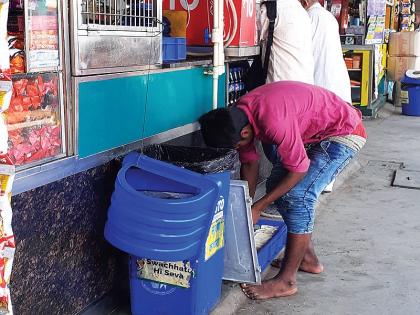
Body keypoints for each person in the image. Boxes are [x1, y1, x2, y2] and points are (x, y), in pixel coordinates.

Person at [199, 81, 366, 300]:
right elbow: (249, 163)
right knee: (275, 186)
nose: (239, 149)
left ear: (246, 133)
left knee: (298, 196)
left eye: (238, 146)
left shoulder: (272, 120)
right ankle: (308, 259)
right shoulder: (240, 115)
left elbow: (299, 169)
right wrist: (245, 209)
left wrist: (260, 206)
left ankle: (286, 281)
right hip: (318, 132)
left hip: (344, 132)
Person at [300, 0, 352, 104]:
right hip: (339, 87)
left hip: (322, 87)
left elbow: (304, 56)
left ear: (305, 2)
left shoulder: (307, 17)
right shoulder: (329, 17)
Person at [259, 0, 314, 84]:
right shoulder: (303, 12)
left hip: (280, 88)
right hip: (305, 86)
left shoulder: (271, 9)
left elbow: (251, 37)